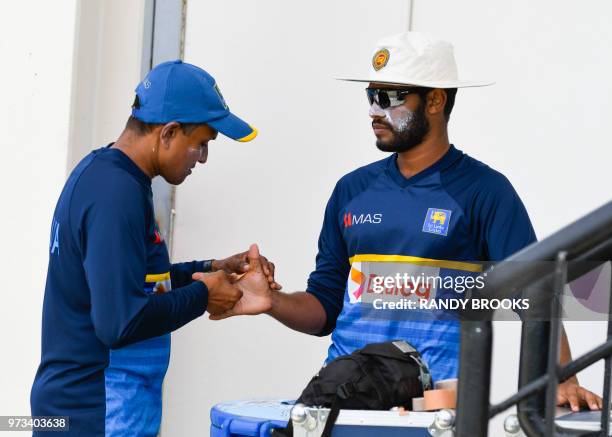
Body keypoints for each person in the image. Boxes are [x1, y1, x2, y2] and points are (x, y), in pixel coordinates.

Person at [218, 32, 603, 411]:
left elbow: (536, 294)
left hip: (439, 408)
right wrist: (272, 302)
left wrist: (564, 378)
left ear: (435, 100)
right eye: (371, 96)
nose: (373, 111)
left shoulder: (486, 191)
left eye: (389, 98)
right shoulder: (350, 190)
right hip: (345, 401)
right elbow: (325, 309)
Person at [30, 60, 279, 436]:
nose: (204, 158)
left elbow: (135, 281)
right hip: (93, 417)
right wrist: (202, 295)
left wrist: (214, 268)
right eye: (202, 144)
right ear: (169, 132)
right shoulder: (116, 194)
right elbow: (120, 321)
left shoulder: (110, 177)